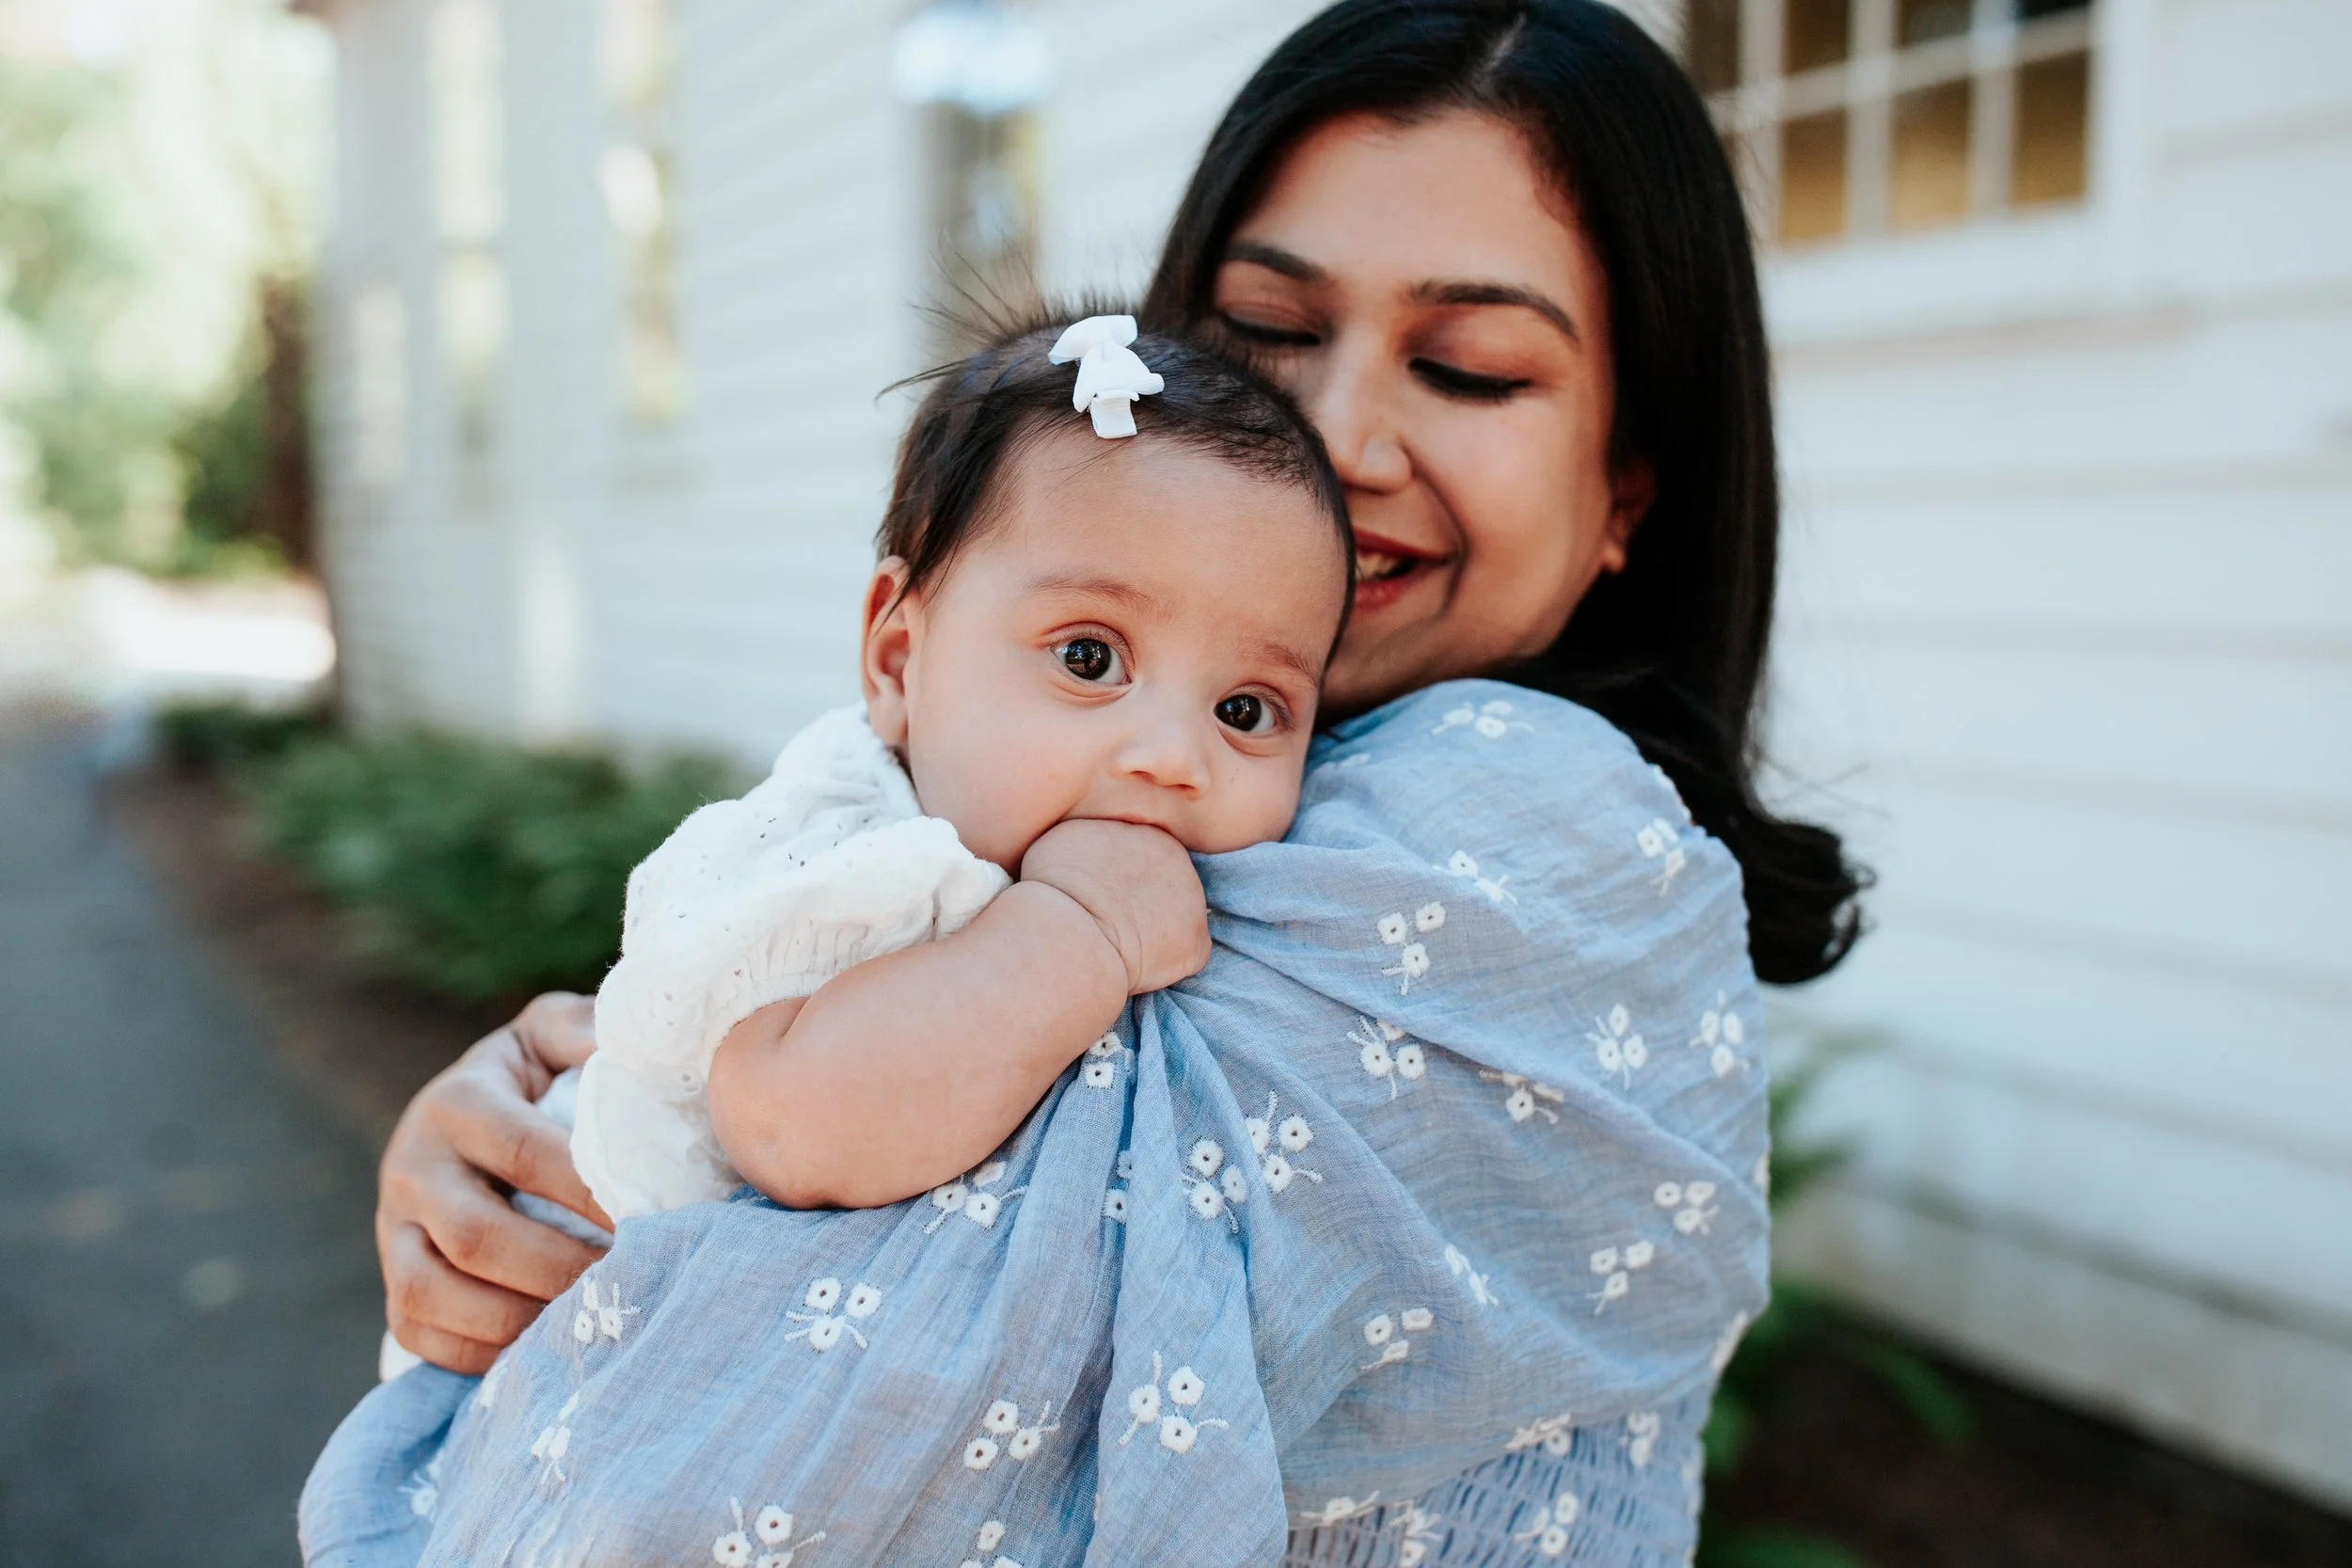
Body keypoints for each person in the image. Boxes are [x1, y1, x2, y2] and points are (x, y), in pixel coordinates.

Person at [346, 3, 1864, 1562]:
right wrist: (553, 1110)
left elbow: (885, 1344)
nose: (1343, 437)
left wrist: (605, 1199)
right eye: (1272, 328)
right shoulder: (1159, 773)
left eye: (1468, 368)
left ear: (1627, 488)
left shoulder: (1540, 815)